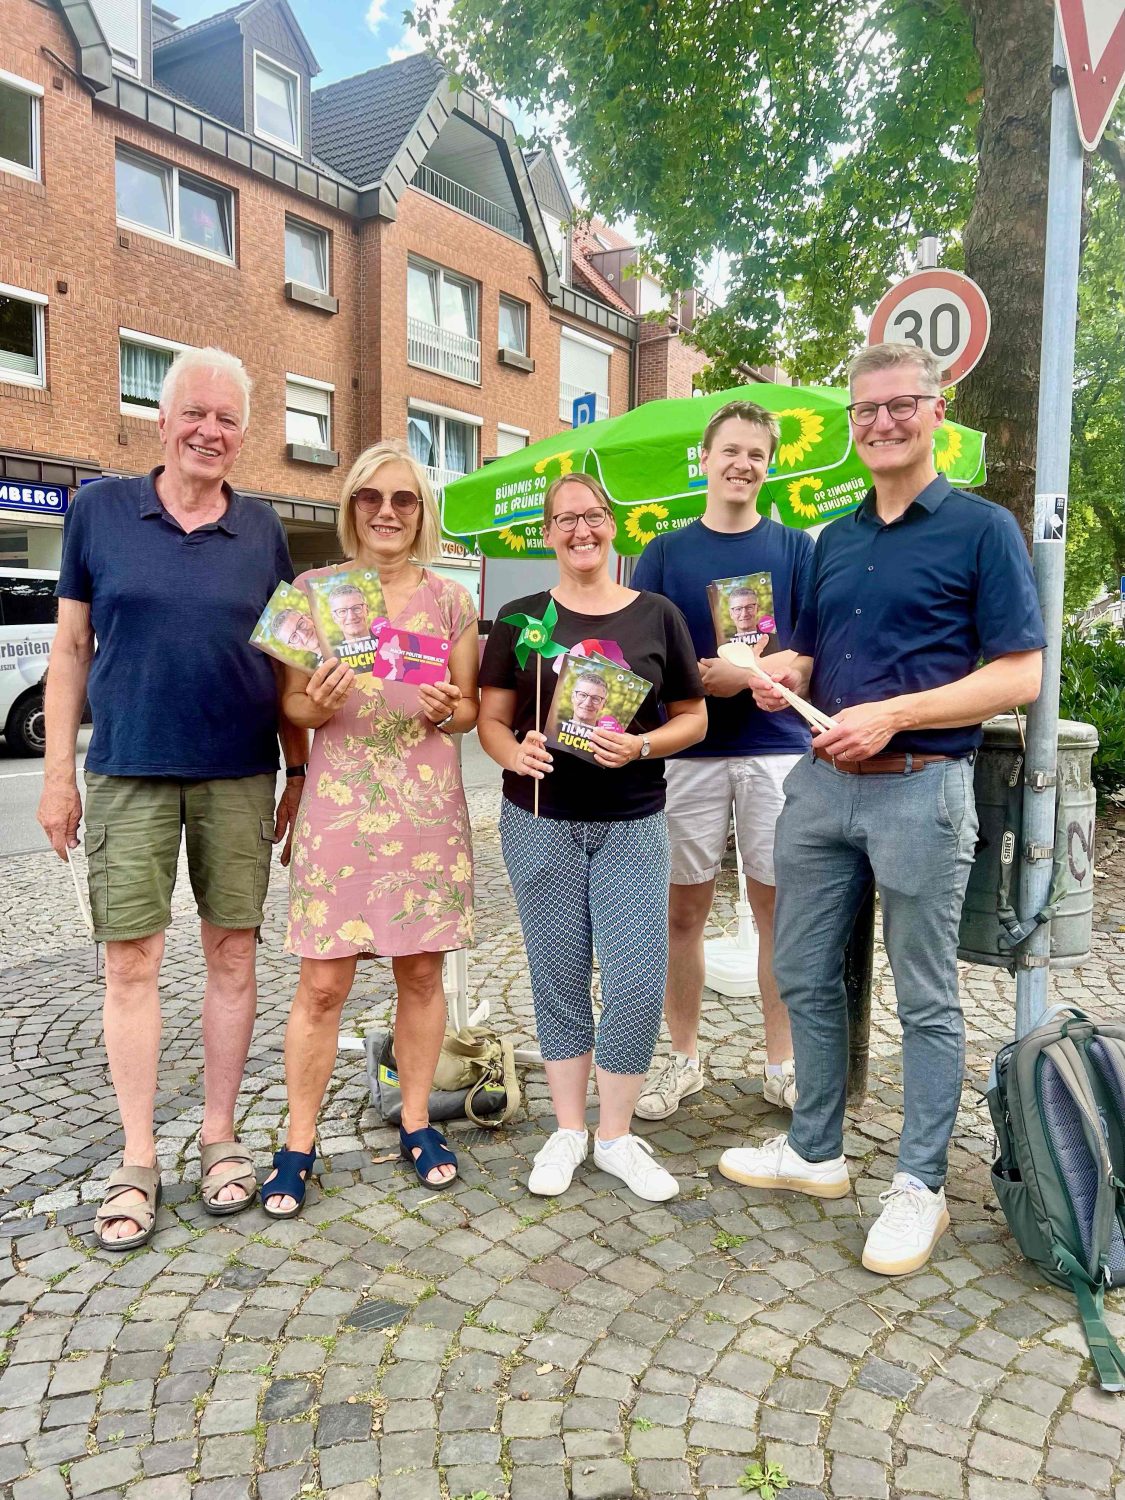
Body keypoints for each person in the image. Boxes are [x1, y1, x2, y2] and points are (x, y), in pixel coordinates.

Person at [719, 342, 1045, 1276]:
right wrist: (780, 673)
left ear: (936, 411)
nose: (882, 423)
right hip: (822, 784)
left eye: (900, 405)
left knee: (924, 995)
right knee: (803, 969)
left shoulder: (982, 529)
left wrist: (894, 714)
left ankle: (919, 1185)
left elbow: (1018, 675)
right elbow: (811, 651)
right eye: (865, 410)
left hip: (921, 784)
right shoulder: (835, 539)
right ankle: (814, 1150)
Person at [37, 346, 307, 1251]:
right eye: (194, 412)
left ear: (244, 433)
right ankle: (139, 1156)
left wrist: (300, 770)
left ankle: (220, 1137)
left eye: (227, 418)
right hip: (127, 768)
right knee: (130, 963)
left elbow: (287, 661)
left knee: (232, 954)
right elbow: (70, 650)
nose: (208, 431)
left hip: (238, 769)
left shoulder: (263, 530)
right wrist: (57, 775)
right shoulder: (98, 511)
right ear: (161, 418)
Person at [262, 443, 479, 1217]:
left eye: (403, 499)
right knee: (322, 983)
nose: (386, 512)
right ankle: (297, 1141)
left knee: (419, 975)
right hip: (339, 811)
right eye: (370, 497)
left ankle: (416, 1121)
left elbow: (469, 709)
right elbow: (289, 704)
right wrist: (314, 705)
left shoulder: (451, 599)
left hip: (425, 811)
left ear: (422, 512)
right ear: (350, 507)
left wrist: (448, 710)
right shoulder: (308, 592)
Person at [479, 474, 707, 1202]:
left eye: (594, 516)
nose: (581, 530)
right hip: (538, 818)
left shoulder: (657, 615)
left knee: (637, 978)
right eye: (565, 519)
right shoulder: (519, 618)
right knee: (557, 976)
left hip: (631, 820)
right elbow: (490, 720)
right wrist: (514, 753)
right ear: (547, 532)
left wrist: (642, 746)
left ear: (613, 525)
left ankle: (614, 1135)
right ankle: (568, 1129)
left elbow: (694, 717)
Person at [631, 401, 814, 1120]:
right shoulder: (666, 553)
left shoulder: (795, 549)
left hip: (777, 751)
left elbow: (814, 649)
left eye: (756, 454)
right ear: (704, 459)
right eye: (730, 451)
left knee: (778, 913)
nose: (743, 464)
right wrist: (691, 682)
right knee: (683, 910)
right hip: (690, 753)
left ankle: (783, 1064)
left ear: (769, 465)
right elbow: (639, 650)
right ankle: (682, 1059)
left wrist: (755, 675)